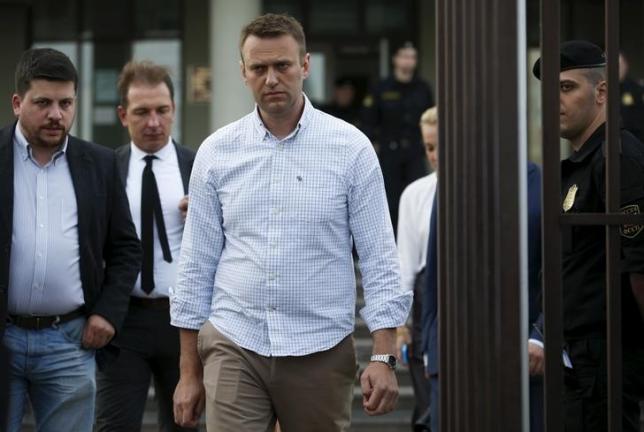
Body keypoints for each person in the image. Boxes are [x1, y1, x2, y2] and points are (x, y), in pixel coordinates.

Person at [170, 13, 412, 432]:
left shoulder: (350, 149)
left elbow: (379, 257)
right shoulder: (216, 153)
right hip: (234, 341)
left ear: (305, 65)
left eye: (282, 65)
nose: (271, 79)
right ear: (243, 73)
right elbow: (196, 264)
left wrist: (383, 355)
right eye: (258, 68)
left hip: (319, 347)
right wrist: (189, 372)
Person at [0, 48, 141, 432]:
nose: (56, 114)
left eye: (65, 103)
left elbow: (126, 248)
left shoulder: (100, 164)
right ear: (17, 103)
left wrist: (107, 312)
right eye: (43, 103)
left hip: (69, 341)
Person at [531, 40, 644, 431]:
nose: (555, 101)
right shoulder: (581, 164)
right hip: (576, 360)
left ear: (601, 92)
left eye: (566, 88)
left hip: (608, 359)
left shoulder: (618, 158)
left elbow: (639, 262)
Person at [420, 113, 543, 432]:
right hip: (458, 352)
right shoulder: (452, 183)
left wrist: (540, 335)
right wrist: (432, 345)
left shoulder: (541, 183)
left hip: (521, 353)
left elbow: (553, 271)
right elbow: (434, 270)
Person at [95, 61, 196, 432]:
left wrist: (206, 216)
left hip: (184, 322)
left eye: (162, 110)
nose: (154, 122)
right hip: (124, 320)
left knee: (185, 424)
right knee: (113, 424)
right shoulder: (106, 168)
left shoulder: (199, 167)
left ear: (174, 110)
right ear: (123, 115)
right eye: (142, 112)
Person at [361, 41, 434, 232]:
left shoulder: (422, 88)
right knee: (390, 203)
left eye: (412, 57)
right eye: (404, 56)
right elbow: (368, 122)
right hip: (389, 155)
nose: (408, 61)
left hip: (415, 154)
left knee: (418, 200)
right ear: (395, 59)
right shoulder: (381, 88)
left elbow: (431, 119)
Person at [395, 107, 437, 430]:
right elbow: (406, 264)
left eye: (440, 145)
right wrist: (401, 326)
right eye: (429, 147)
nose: (435, 155)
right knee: (427, 403)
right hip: (426, 302)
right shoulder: (415, 194)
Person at [619, 52, 644, 143]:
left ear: (626, 66)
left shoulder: (637, 89)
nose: (617, 69)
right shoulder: (603, 90)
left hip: (635, 140)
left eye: (619, 66)